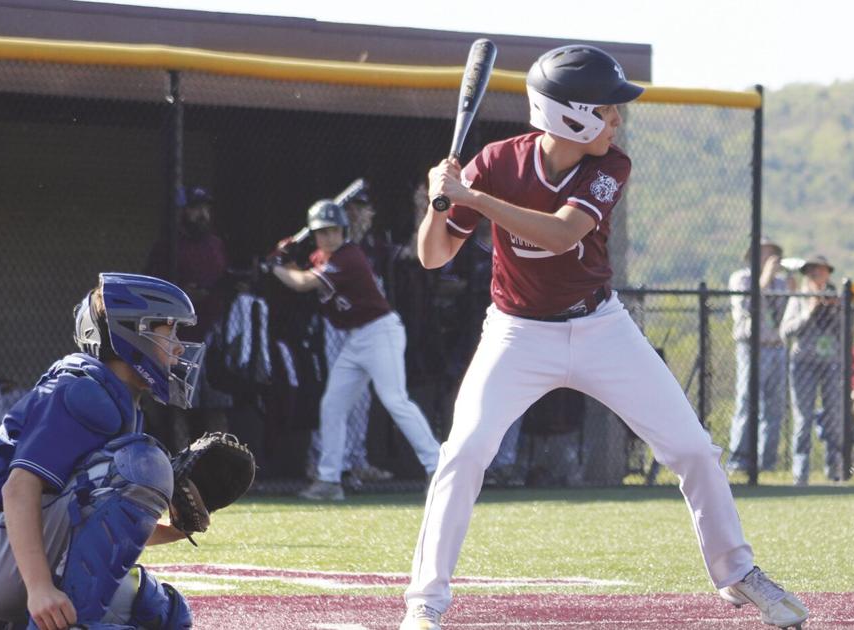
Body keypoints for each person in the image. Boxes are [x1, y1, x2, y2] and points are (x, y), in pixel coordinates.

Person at [401, 45, 809, 630]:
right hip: (516, 334)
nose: (617, 121)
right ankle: (426, 603)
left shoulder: (609, 165)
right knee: (463, 454)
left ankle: (737, 573)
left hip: (600, 327)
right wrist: (439, 203)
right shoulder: (495, 162)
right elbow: (433, 255)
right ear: (571, 115)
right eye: (608, 110)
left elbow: (563, 233)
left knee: (693, 449)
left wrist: (474, 197)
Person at [0, 273, 200, 629]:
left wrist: (177, 528)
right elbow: (18, 489)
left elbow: (95, 530)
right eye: (170, 331)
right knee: (144, 464)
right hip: (4, 552)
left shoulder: (117, 402)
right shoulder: (83, 391)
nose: (179, 347)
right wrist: (40, 588)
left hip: (10, 556)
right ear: (132, 331)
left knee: (161, 614)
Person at [270, 200, 440, 501]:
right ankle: (329, 480)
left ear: (343, 231)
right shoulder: (321, 257)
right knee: (333, 405)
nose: (329, 237)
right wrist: (286, 257)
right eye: (322, 232)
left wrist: (276, 267)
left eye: (334, 231)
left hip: (380, 332)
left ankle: (438, 466)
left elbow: (302, 283)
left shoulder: (349, 257)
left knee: (395, 399)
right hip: (355, 340)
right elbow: (303, 271)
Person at [305, 189, 399, 488]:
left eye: (364, 208)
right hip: (339, 327)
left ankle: (354, 461)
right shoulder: (330, 251)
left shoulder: (373, 245)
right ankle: (329, 463)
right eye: (354, 209)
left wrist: (420, 207)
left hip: (370, 328)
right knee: (336, 398)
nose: (360, 214)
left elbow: (409, 253)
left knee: (364, 399)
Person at [144, 186, 231, 450]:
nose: (202, 214)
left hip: (213, 336)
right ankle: (179, 461)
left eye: (206, 208)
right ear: (183, 211)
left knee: (216, 404)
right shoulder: (168, 246)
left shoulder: (216, 245)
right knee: (177, 404)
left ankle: (220, 460)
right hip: (180, 338)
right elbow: (153, 288)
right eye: (196, 208)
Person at [727, 237, 790, 473]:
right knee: (746, 400)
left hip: (776, 346)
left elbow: (785, 314)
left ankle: (766, 461)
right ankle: (739, 458)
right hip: (751, 345)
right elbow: (747, 305)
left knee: (774, 406)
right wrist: (765, 278)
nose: (769, 258)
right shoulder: (741, 278)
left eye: (772, 253)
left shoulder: (781, 283)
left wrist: (791, 288)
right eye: (764, 253)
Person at [780, 255, 841, 485]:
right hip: (803, 364)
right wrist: (809, 312)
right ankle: (801, 473)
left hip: (831, 364)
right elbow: (785, 331)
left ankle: (834, 469)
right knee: (803, 418)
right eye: (811, 273)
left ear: (827, 273)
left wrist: (838, 311)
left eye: (820, 272)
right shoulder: (799, 299)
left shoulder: (836, 297)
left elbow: (847, 331)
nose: (816, 276)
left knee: (834, 415)